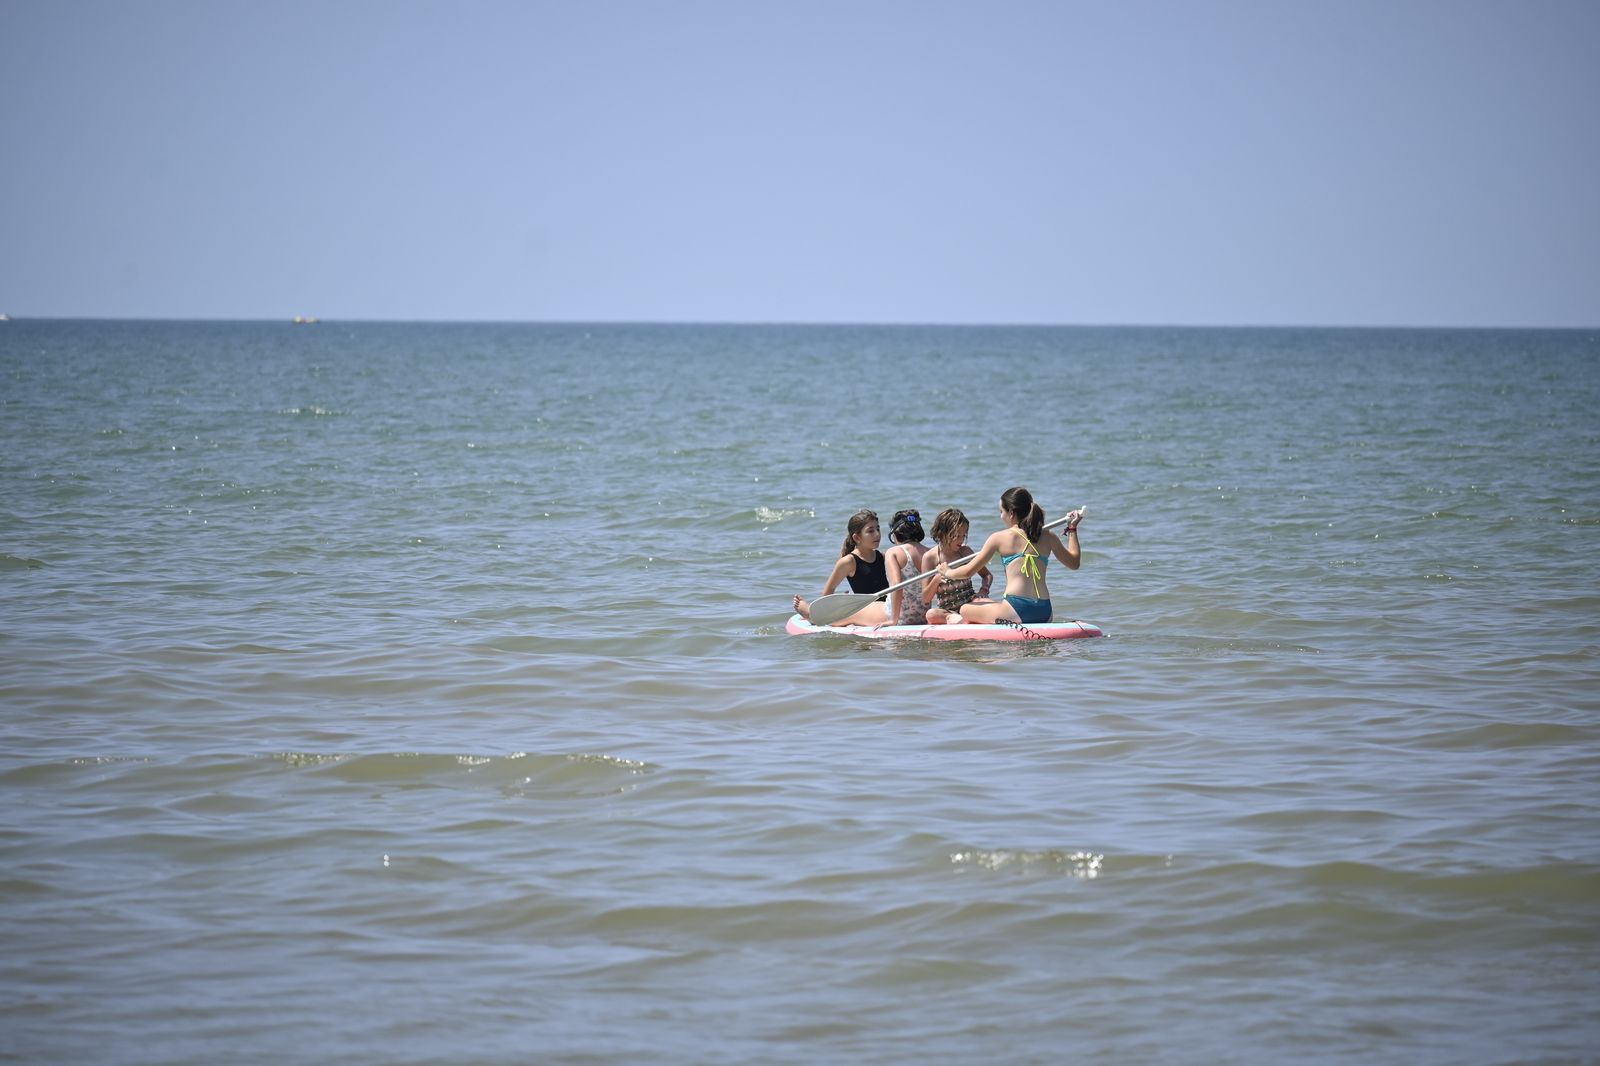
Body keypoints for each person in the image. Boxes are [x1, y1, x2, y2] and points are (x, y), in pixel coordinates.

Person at [938, 487, 1082, 625]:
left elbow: (969, 571)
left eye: (1001, 511)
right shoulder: (1048, 536)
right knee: (985, 603)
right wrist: (1072, 528)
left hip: (1016, 610)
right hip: (1045, 611)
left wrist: (947, 572)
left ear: (1011, 512)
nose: (1001, 516)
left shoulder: (998, 538)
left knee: (965, 609)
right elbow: (1074, 563)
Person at [792, 509, 890, 626]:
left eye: (878, 529)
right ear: (857, 538)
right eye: (871, 531)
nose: (877, 534)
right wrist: (829, 609)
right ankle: (811, 614)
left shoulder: (883, 557)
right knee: (838, 614)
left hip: (885, 608)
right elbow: (828, 593)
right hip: (865, 611)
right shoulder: (849, 562)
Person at [922, 507, 993, 625]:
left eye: (963, 535)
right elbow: (925, 598)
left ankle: (967, 619)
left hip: (970, 603)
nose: (961, 540)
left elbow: (987, 575)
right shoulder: (930, 558)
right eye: (956, 535)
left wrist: (984, 590)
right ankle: (962, 620)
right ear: (942, 533)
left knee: (988, 602)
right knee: (931, 614)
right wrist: (936, 580)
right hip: (948, 610)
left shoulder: (965, 552)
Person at [883, 509, 930, 626]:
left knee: (851, 614)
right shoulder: (930, 553)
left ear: (895, 533)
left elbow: (897, 586)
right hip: (923, 616)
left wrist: (893, 620)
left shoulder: (893, 552)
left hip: (900, 617)